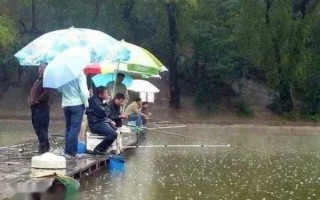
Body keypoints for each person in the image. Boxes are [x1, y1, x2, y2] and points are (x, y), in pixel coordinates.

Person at [58, 72, 89, 157]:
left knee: (68, 128)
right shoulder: (80, 74)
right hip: (77, 104)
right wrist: (86, 103)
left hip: (66, 104)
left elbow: (60, 89)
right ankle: (72, 152)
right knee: (75, 128)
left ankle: (67, 150)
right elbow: (84, 93)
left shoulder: (63, 74)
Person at [86, 86, 118, 155]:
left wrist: (109, 121)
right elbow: (104, 113)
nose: (107, 94)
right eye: (105, 93)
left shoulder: (97, 100)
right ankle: (98, 149)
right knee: (113, 134)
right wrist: (107, 102)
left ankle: (105, 149)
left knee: (116, 129)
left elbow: (103, 115)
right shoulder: (95, 101)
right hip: (96, 124)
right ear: (100, 95)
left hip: (100, 122)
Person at [28, 62, 51, 153]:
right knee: (37, 126)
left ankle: (44, 148)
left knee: (41, 127)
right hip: (35, 108)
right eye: (40, 67)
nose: (41, 69)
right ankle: (43, 146)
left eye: (43, 67)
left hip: (42, 107)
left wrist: (37, 99)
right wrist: (30, 99)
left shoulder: (47, 80)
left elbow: (47, 93)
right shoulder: (38, 80)